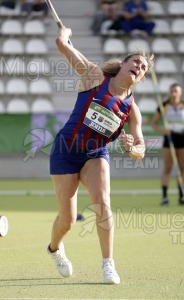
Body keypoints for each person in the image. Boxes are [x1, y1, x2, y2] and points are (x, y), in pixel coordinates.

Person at [47, 25, 154, 284]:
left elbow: (140, 150)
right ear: (123, 65)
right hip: (66, 151)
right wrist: (67, 33)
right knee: (68, 220)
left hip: (96, 153)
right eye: (135, 62)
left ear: (140, 79)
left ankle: (108, 265)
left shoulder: (132, 110)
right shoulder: (95, 77)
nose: (139, 67)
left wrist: (133, 148)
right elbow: (62, 45)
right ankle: (54, 248)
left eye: (143, 68)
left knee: (103, 204)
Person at [152, 83, 184, 206]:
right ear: (169, 92)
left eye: (176, 91)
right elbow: (154, 124)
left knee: (182, 168)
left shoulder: (183, 105)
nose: (174, 93)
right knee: (168, 168)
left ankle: (182, 195)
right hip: (169, 138)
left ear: (180, 93)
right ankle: (165, 197)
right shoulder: (163, 105)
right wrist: (162, 130)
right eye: (172, 90)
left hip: (182, 138)